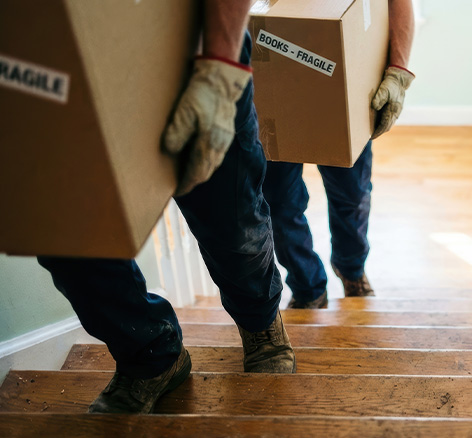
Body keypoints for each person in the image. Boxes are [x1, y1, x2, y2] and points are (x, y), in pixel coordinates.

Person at [37, 0, 294, 414]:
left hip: (192, 52)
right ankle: (151, 355)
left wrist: (220, 71)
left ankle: (261, 321)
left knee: (233, 222)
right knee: (68, 240)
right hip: (58, 78)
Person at [262, 0, 416, 308]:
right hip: (273, 86)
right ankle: (308, 286)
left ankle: (351, 268)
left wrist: (398, 71)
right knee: (278, 203)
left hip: (345, 87)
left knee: (352, 194)